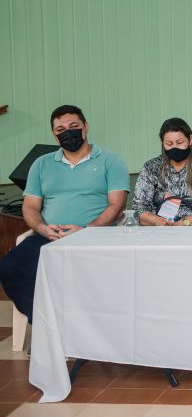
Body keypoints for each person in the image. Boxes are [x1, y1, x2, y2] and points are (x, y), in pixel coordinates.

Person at [0, 105, 129, 322]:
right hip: (50, 237)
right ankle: (48, 324)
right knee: (10, 268)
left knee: (97, 280)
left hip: (95, 237)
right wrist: (42, 228)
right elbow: (30, 207)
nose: (67, 132)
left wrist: (86, 231)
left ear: (85, 127)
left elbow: (116, 206)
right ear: (54, 134)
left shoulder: (110, 161)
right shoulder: (41, 164)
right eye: (60, 129)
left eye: (73, 126)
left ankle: (88, 327)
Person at [133, 118, 192, 226]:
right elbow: (139, 207)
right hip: (159, 230)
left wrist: (184, 223)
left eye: (180, 142)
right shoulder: (151, 168)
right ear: (162, 142)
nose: (175, 147)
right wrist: (157, 221)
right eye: (169, 143)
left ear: (190, 139)